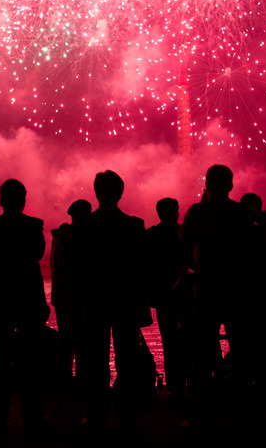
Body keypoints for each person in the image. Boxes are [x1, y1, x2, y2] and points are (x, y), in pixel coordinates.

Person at [70, 170, 151, 433]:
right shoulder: (135, 225)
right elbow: (141, 269)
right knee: (127, 360)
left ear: (96, 193)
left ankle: (96, 413)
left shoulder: (82, 226)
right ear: (120, 193)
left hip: (95, 301)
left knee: (95, 360)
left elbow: (77, 268)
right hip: (126, 301)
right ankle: (128, 414)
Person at [182, 166, 260, 409]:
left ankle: (199, 408)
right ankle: (241, 405)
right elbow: (255, 247)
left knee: (202, 350)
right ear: (230, 186)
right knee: (241, 349)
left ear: (207, 185)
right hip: (237, 286)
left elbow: (185, 242)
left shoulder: (197, 212)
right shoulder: (243, 211)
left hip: (206, 285)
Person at [0, 179, 49, 430]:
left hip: (1, 301)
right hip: (29, 300)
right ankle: (34, 416)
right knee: (31, 361)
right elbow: (37, 255)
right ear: (23, 200)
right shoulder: (34, 226)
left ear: (1, 200)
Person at [146, 197, 192, 403]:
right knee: (189, 339)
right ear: (176, 212)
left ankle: (175, 387)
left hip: (163, 295)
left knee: (169, 341)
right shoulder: (185, 233)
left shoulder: (151, 235)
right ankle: (190, 383)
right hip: (186, 293)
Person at [49, 199, 91, 389]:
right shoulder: (76, 240)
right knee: (82, 341)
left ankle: (63, 378)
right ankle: (82, 382)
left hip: (60, 296)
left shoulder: (58, 238)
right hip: (77, 298)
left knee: (65, 339)